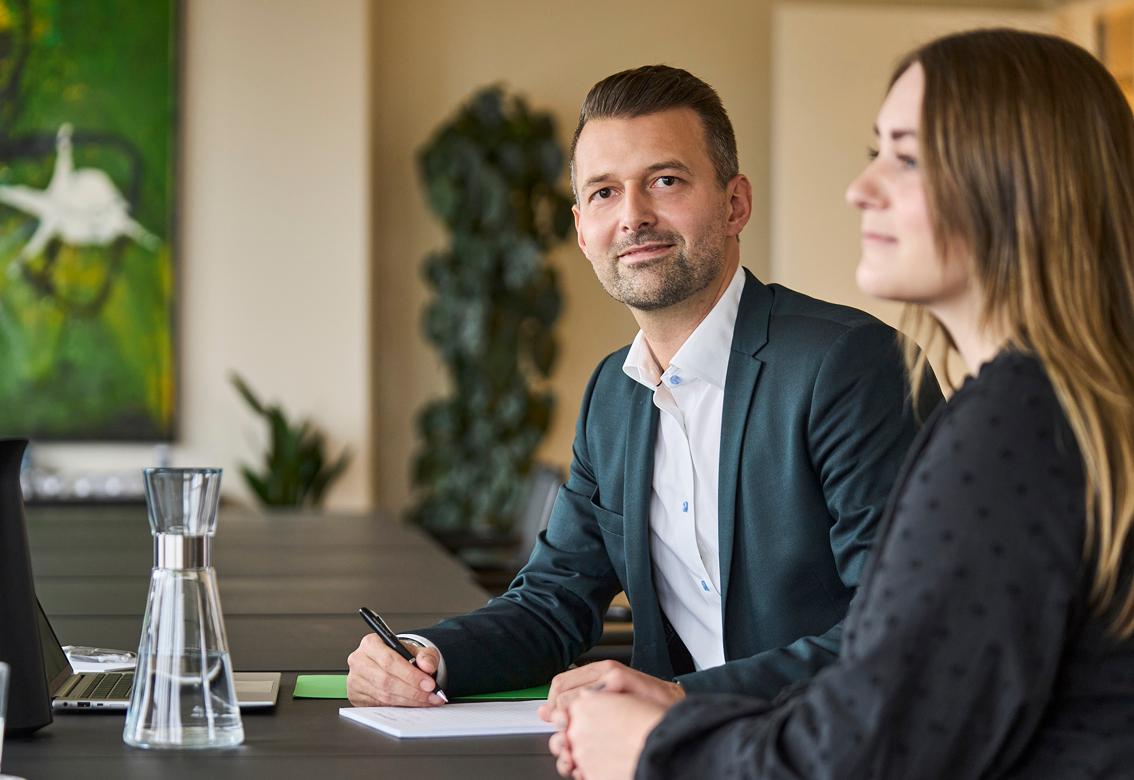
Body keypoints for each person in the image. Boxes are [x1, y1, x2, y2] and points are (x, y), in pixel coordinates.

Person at [553, 29, 1134, 780]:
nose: (862, 188)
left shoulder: (1014, 427)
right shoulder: (1049, 407)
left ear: (1025, 184)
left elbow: (875, 749)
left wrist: (653, 746)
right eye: (875, 154)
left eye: (908, 156)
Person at [348, 65, 941, 713]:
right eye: (604, 192)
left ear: (735, 203)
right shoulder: (613, 391)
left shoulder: (849, 364)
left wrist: (680, 696)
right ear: (581, 230)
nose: (633, 216)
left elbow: (899, 629)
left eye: (665, 180)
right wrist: (425, 657)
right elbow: (555, 601)